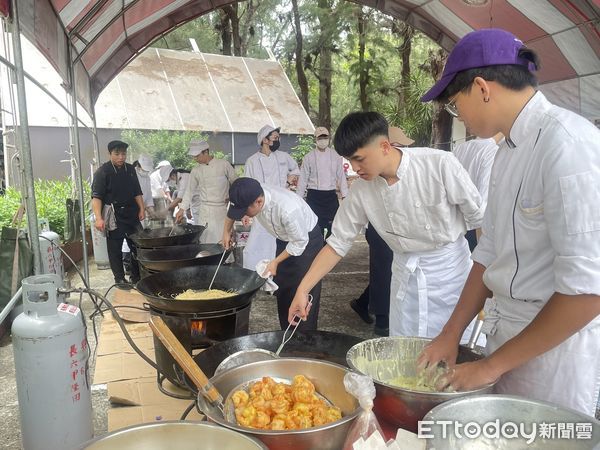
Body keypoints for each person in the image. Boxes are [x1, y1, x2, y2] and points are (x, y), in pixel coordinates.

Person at [417, 28, 600, 416]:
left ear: (482, 88)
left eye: (454, 104)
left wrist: (488, 366)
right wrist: (451, 334)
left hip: (553, 351)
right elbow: (489, 252)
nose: (458, 115)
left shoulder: (568, 146)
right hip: (505, 333)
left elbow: (588, 292)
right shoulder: (508, 151)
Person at [289, 112, 484, 343]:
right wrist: (303, 289)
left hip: (451, 277)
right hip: (405, 279)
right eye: (349, 161)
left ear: (384, 146)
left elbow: (481, 221)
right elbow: (337, 243)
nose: (354, 168)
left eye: (359, 159)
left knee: (460, 355)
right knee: (407, 355)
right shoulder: (362, 190)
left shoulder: (439, 165)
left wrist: (489, 282)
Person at [222, 177, 322, 330]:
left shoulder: (288, 209)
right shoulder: (250, 192)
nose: (242, 214)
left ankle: (304, 341)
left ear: (259, 202)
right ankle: (286, 333)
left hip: (307, 242)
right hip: (285, 240)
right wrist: (226, 232)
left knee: (303, 292)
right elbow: (233, 207)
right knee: (283, 288)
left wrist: (275, 261)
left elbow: (299, 242)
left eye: (244, 211)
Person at [349, 126, 415, 336]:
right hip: (379, 230)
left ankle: (365, 305)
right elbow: (340, 238)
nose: (403, 151)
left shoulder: (421, 169)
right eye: (400, 146)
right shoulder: (366, 182)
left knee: (393, 272)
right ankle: (382, 319)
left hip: (403, 233)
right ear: (386, 147)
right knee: (383, 272)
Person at [243, 125, 300, 271]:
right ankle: (255, 272)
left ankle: (277, 272)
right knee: (256, 242)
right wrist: (245, 211)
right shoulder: (252, 161)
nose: (277, 140)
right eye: (274, 138)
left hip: (281, 204)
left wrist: (288, 181)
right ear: (265, 140)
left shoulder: (284, 156)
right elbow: (247, 185)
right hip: (260, 207)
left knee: (280, 241)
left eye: (277, 137)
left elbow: (296, 170)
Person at [91, 140, 145, 287]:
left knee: (138, 246)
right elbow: (96, 197)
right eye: (117, 154)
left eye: (123, 154)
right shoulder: (102, 172)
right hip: (114, 215)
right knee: (115, 249)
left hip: (132, 214)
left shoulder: (130, 169)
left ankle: (136, 276)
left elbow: (137, 192)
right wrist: (98, 218)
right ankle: (119, 279)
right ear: (109, 154)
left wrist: (142, 208)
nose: (121, 157)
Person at [176, 140, 237, 243]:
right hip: (204, 210)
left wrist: (232, 196)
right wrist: (182, 209)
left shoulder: (223, 165)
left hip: (221, 210)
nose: (195, 159)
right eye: (194, 156)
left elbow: (236, 183)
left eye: (197, 156)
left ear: (206, 152)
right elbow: (189, 191)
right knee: (206, 241)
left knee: (222, 240)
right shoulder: (196, 170)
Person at [452, 133, 502, 251]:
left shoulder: (460, 148)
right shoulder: (492, 151)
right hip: (476, 227)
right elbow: (483, 204)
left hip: (456, 223)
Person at [297, 126, 348, 239]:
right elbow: (303, 179)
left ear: (329, 139)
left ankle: (329, 248)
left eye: (325, 137)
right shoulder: (308, 157)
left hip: (330, 195)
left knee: (332, 225)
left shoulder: (335, 156)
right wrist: (298, 199)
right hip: (314, 196)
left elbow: (341, 176)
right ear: (316, 140)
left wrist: (345, 195)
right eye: (320, 138)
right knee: (314, 226)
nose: (323, 140)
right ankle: (315, 250)